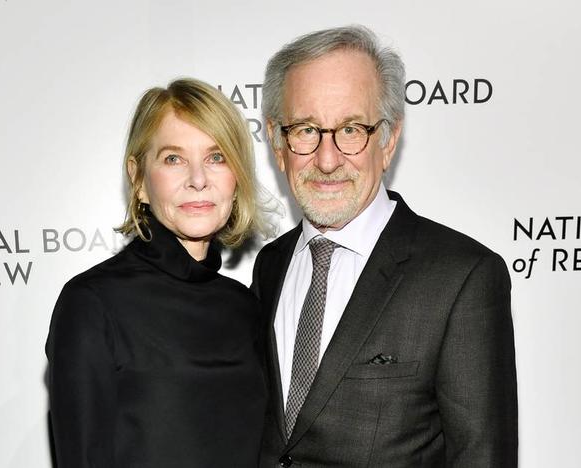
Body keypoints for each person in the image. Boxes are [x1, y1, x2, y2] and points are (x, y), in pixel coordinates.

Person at [252, 26, 517, 467]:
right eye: (305, 130)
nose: (327, 158)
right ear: (278, 143)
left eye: (351, 129)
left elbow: (482, 457)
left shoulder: (462, 278)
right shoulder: (270, 266)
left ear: (389, 139)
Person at [46, 78, 270, 468]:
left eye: (217, 157)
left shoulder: (245, 306)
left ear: (237, 178)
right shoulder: (92, 305)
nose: (198, 179)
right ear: (139, 181)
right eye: (173, 158)